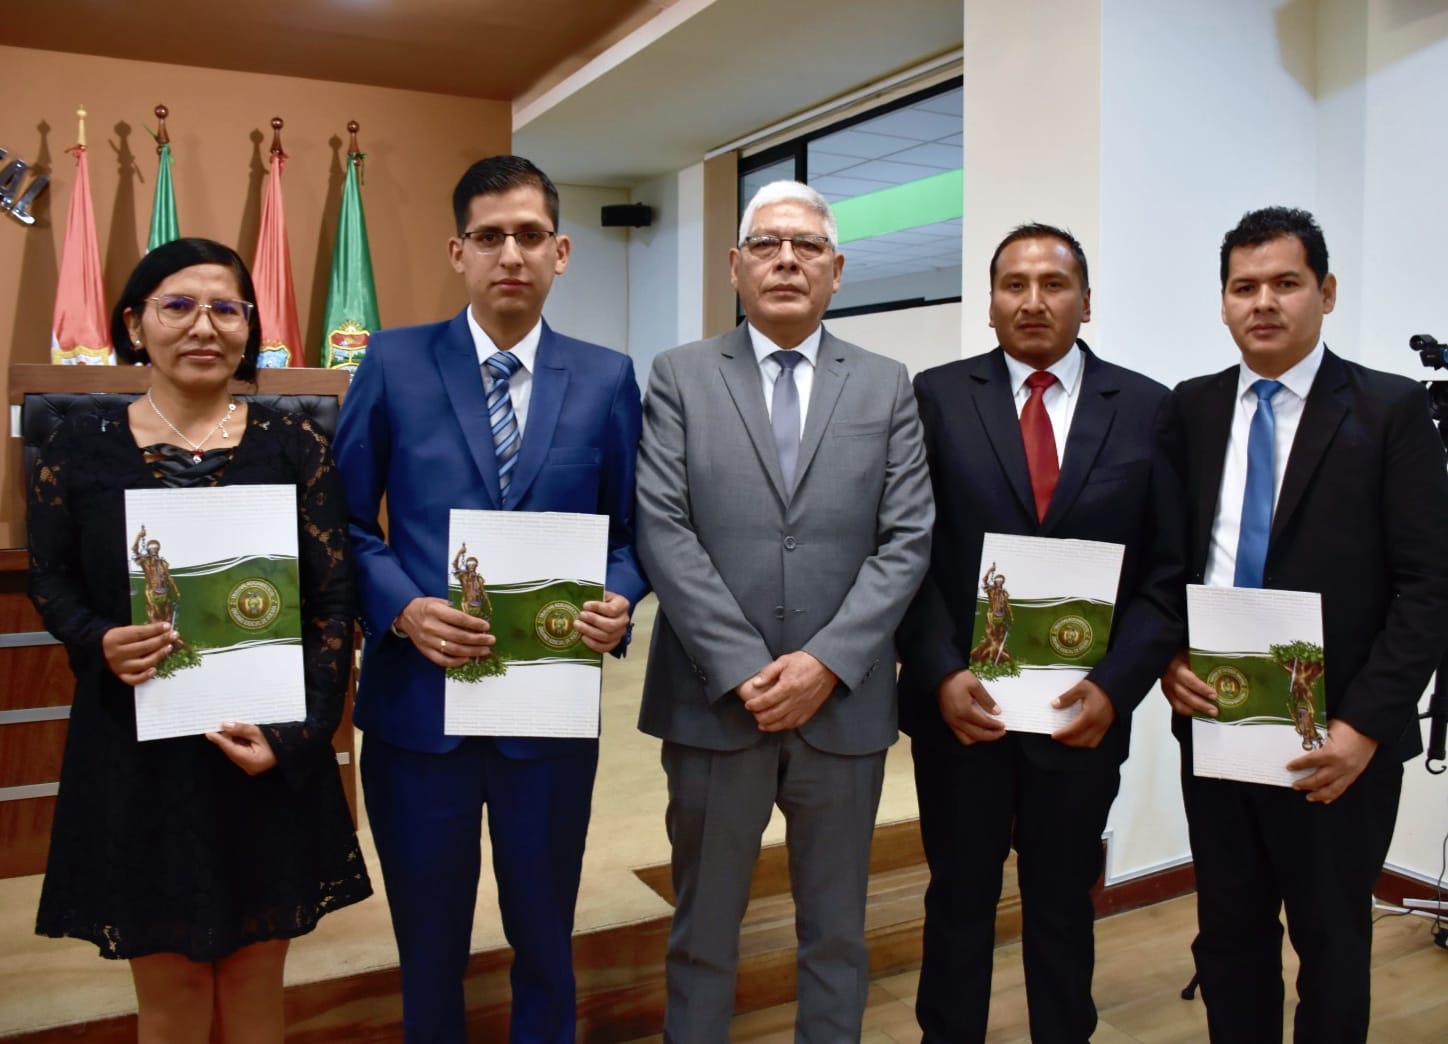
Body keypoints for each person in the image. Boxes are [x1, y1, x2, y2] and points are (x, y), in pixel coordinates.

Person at [333, 155, 646, 1043]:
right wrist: (399, 605)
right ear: (458, 251)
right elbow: (345, 523)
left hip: (546, 714)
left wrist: (618, 600)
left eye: (530, 235)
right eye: (490, 236)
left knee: (546, 934)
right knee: (426, 941)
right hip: (417, 712)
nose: (511, 252)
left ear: (562, 252)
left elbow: (631, 534)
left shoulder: (608, 377)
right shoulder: (393, 363)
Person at [27, 238, 371, 1043]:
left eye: (227, 307)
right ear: (134, 325)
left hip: (262, 755)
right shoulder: (76, 448)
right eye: (177, 306)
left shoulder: (296, 446)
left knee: (255, 996)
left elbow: (333, 599)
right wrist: (97, 639)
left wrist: (298, 734)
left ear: (250, 327)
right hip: (137, 755)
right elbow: (52, 579)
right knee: (173, 999)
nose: (204, 326)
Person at [635, 180, 933, 1041]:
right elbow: (663, 527)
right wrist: (743, 668)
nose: (787, 260)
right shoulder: (680, 376)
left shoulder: (884, 386)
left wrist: (825, 662)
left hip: (841, 707)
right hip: (710, 703)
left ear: (837, 270)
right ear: (736, 266)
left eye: (806, 247)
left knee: (837, 933)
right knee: (702, 932)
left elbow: (907, 538)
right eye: (767, 244)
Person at [1159, 206, 1448, 1042]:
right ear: (1222, 302)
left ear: (1325, 292)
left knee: (1331, 947)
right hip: (1216, 725)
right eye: (1244, 287)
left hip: (1339, 744)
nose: (1264, 303)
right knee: (1228, 938)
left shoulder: (1390, 412)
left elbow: (1430, 587)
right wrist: (1170, 655)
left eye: (1286, 284)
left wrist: (1364, 727)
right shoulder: (1193, 409)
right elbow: (1171, 560)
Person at [896, 224, 1182, 1043]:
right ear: (988, 304)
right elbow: (907, 552)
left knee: (1062, 904)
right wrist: (939, 670)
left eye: (1053, 284)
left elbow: (1163, 573)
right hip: (962, 710)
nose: (1032, 300)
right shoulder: (936, 397)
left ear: (1086, 301)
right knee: (957, 898)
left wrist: (1116, 687)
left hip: (1079, 713)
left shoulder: (1149, 409)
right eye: (1013, 284)